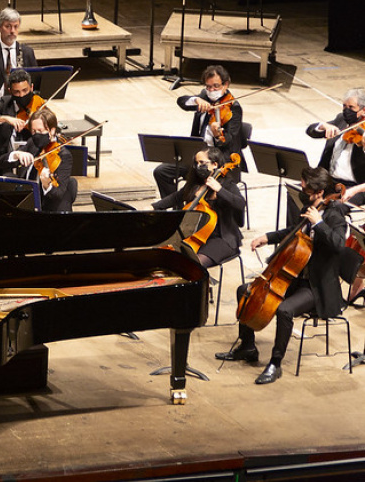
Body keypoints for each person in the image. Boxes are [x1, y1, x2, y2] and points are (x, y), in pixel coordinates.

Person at [215, 166, 347, 385]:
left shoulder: (334, 213)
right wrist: (267, 237)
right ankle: (247, 347)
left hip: (316, 286)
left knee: (284, 310)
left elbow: (339, 245)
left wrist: (320, 224)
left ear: (320, 189)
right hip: (295, 278)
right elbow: (292, 232)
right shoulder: (310, 206)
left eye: (305, 185)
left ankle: (275, 364)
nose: (301, 187)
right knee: (245, 291)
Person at [154, 65, 244, 198]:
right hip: (198, 156)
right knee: (161, 171)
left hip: (220, 161)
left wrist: (218, 134)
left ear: (226, 85)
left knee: (199, 180)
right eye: (208, 87)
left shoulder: (234, 108)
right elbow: (182, 102)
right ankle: (177, 210)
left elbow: (229, 140)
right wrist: (195, 99)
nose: (211, 90)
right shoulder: (204, 97)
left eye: (216, 86)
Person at [152, 147, 245, 267]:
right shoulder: (196, 183)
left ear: (214, 164)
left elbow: (240, 204)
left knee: (193, 265)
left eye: (202, 163)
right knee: (164, 256)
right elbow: (176, 197)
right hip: (195, 235)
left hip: (222, 239)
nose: (198, 166)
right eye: (196, 163)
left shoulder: (227, 185)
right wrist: (154, 207)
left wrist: (220, 190)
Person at [0, 108, 77, 212]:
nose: (36, 135)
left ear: (52, 131)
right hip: (25, 196)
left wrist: (46, 184)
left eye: (40, 131)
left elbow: (58, 194)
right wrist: (16, 154)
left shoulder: (63, 155)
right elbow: (1, 163)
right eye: (34, 131)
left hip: (46, 203)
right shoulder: (33, 143)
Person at [306, 88, 365, 205]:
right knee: (297, 193)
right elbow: (311, 130)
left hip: (355, 186)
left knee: (334, 206)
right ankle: (297, 224)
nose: (346, 110)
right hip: (330, 182)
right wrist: (323, 126)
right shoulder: (341, 120)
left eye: (351, 107)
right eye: (344, 106)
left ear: (363, 111)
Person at [0, 69, 39, 175]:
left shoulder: (38, 105)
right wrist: (5, 118)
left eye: (25, 91)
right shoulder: (6, 103)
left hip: (34, 162)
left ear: (32, 88)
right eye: (17, 92)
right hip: (7, 162)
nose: (21, 95)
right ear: (10, 90)